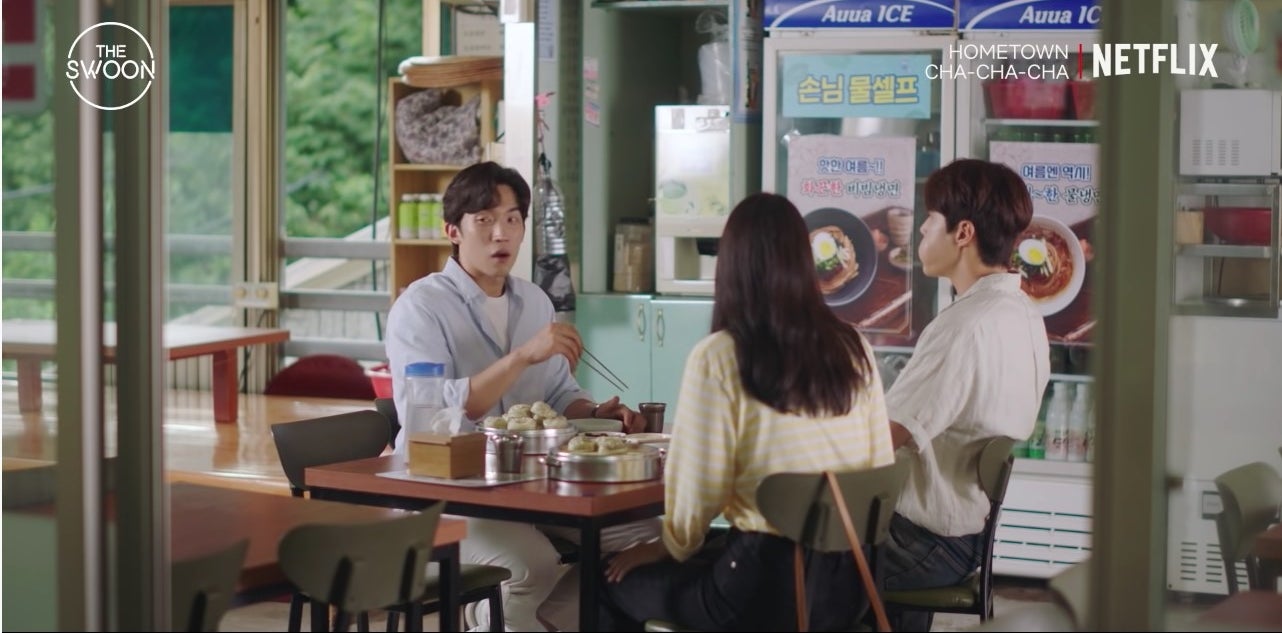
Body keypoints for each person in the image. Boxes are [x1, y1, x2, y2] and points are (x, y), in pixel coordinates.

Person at [598, 192, 896, 631]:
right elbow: (879, 469)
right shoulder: (853, 347)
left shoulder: (721, 355)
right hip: (850, 585)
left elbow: (700, 486)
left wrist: (668, 545)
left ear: (730, 265)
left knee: (609, 583)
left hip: (764, 590)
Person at [385, 161, 655, 631]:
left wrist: (594, 414)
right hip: (447, 493)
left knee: (646, 536)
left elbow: (557, 391)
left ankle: (521, 619)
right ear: (453, 230)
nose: (500, 234)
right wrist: (522, 357)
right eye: (484, 220)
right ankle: (494, 618)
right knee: (531, 565)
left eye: (512, 219)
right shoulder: (419, 307)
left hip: (531, 488)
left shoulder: (534, 301)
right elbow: (429, 412)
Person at [878, 159, 1051, 632]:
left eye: (929, 220)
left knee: (783, 558)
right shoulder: (1023, 313)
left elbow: (885, 435)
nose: (920, 232)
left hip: (922, 542)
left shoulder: (964, 327)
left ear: (962, 233)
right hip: (963, 534)